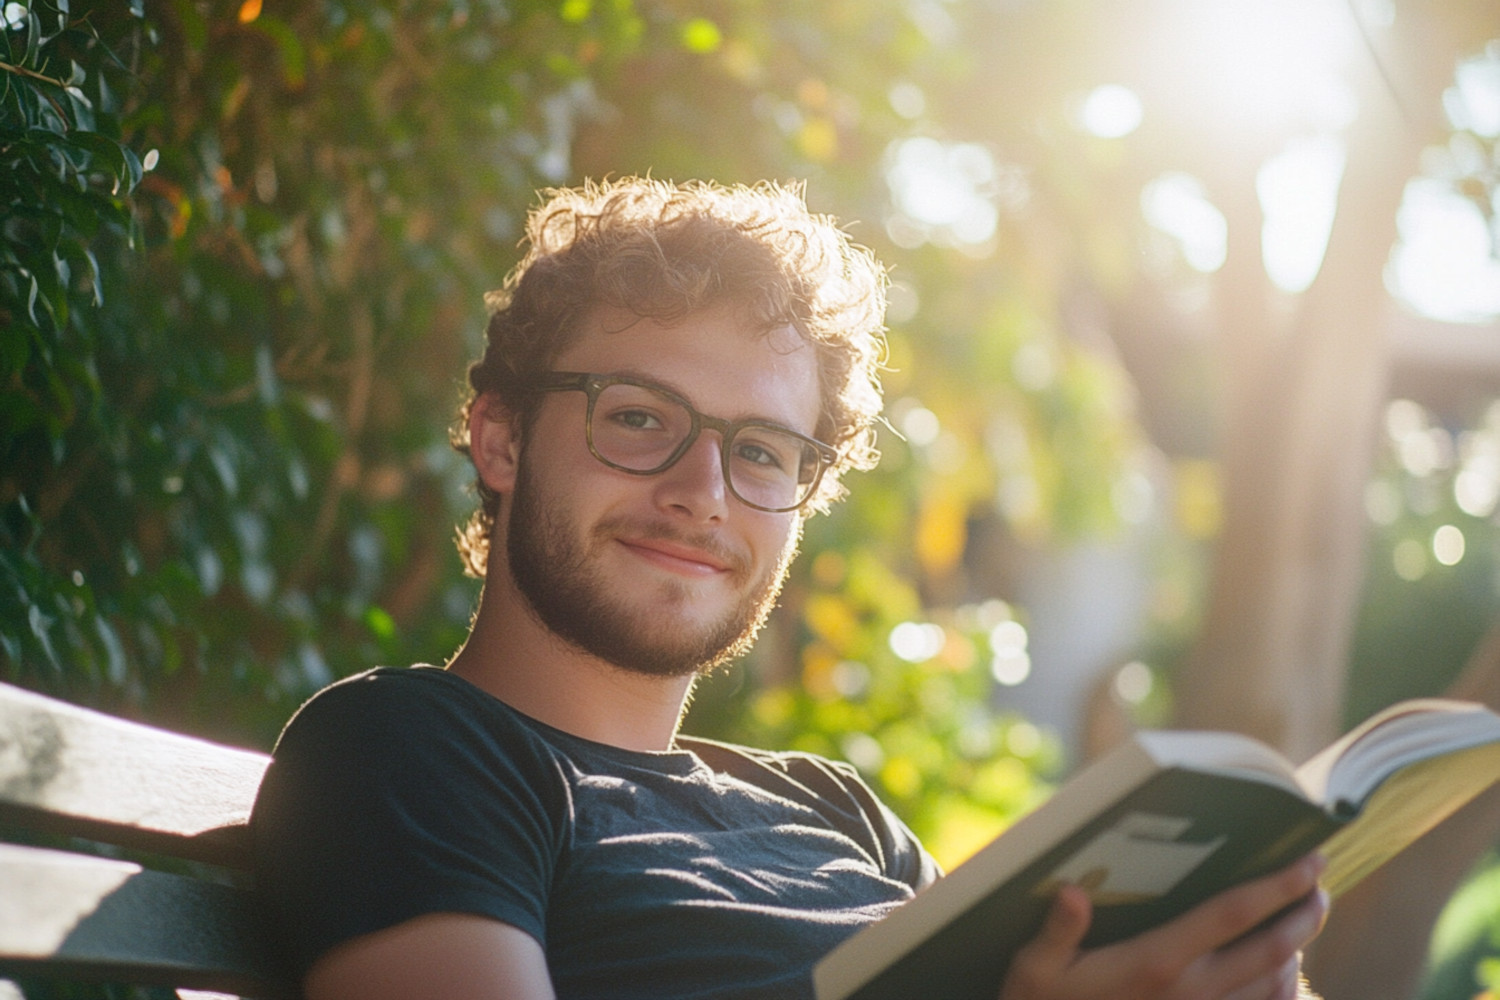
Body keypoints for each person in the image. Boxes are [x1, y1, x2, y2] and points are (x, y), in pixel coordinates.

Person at [250, 177, 1328, 1000]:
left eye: (762, 451)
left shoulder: (837, 813)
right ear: (502, 439)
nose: (701, 493)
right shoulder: (410, 753)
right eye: (638, 417)